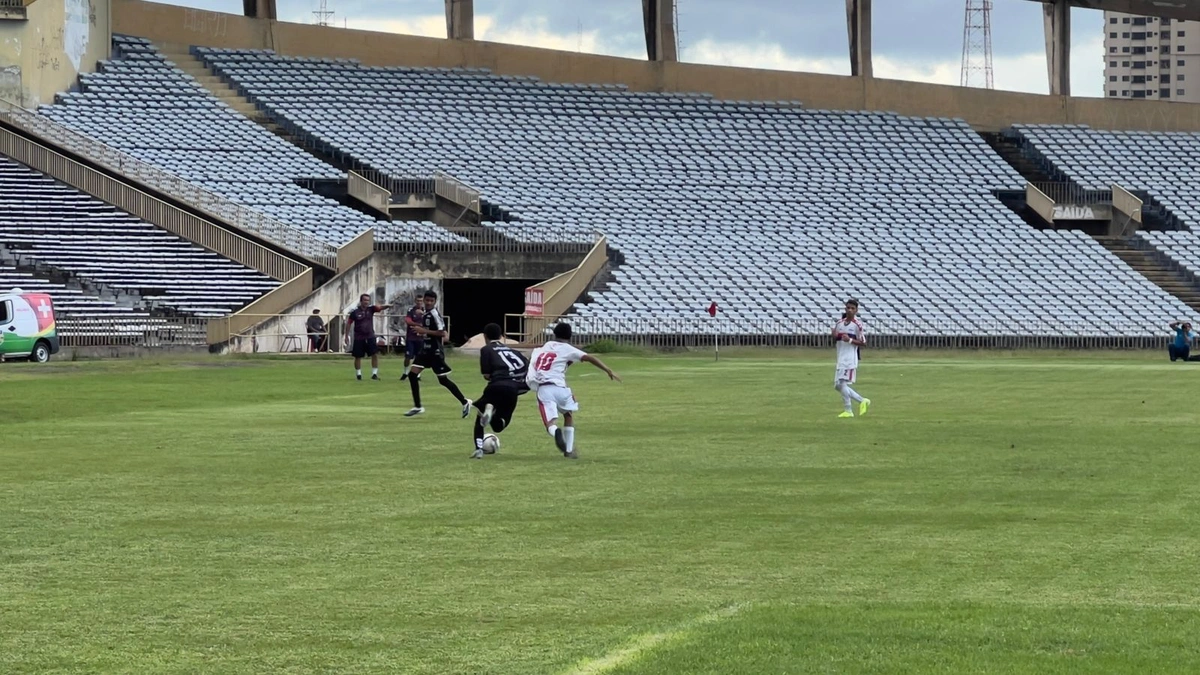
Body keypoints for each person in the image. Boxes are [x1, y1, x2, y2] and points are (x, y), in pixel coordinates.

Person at [526, 323, 620, 459]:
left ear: (554, 334)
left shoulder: (545, 347)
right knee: (568, 415)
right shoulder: (569, 349)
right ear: (570, 336)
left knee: (549, 423)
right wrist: (608, 370)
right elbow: (589, 358)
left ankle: (556, 432)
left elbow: (532, 360)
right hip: (561, 389)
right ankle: (569, 450)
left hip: (545, 388)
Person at [404, 290, 471, 417]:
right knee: (412, 375)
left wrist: (423, 330)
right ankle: (418, 406)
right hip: (425, 350)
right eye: (427, 300)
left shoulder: (435, 314)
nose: (429, 302)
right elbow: (428, 331)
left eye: (431, 301)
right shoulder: (426, 314)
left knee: (443, 380)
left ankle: (465, 401)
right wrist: (423, 332)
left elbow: (442, 333)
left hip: (435, 351)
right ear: (423, 300)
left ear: (435, 302)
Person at [469, 323, 530, 459]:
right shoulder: (514, 352)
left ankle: (479, 449)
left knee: (480, 417)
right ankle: (491, 413)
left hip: (495, 386)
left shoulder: (486, 349)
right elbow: (527, 367)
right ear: (501, 336)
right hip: (512, 388)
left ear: (485, 336)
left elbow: (486, 375)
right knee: (499, 426)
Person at [831, 298, 870, 418]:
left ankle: (848, 410)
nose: (850, 310)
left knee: (841, 384)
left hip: (849, 359)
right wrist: (834, 335)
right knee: (837, 386)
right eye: (848, 308)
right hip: (840, 358)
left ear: (856, 310)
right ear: (845, 308)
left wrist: (851, 340)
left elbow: (863, 342)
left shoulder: (857, 325)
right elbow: (836, 338)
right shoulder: (839, 323)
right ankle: (862, 400)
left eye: (852, 308)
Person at [346, 293, 391, 380]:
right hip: (359, 337)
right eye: (365, 300)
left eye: (368, 300)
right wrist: (346, 335)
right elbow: (349, 323)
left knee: (374, 354)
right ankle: (358, 374)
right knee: (358, 356)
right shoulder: (355, 312)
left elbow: (381, 307)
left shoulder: (371, 309)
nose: (366, 302)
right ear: (361, 301)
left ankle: (374, 374)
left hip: (370, 336)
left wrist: (389, 305)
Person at [400, 294, 425, 380]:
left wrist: (424, 314)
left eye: (421, 301)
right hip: (411, 338)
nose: (419, 303)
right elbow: (408, 320)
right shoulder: (411, 310)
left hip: (421, 338)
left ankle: (417, 374)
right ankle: (405, 372)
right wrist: (418, 325)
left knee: (419, 357)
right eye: (418, 301)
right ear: (415, 301)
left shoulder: (426, 311)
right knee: (408, 356)